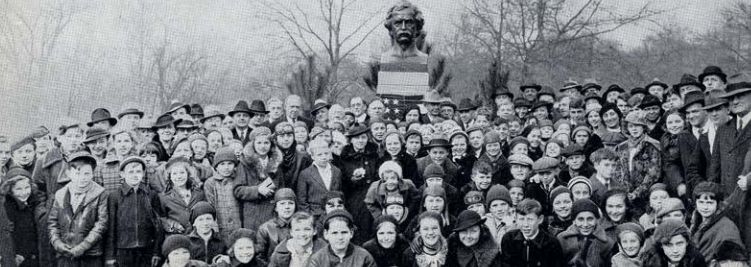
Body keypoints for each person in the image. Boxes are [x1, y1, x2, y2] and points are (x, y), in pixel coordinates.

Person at [48, 151, 109, 267]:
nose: (82, 178)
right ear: (69, 173)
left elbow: (102, 224)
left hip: (91, 255)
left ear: (92, 174)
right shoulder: (60, 194)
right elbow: (52, 222)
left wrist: (84, 245)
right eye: (77, 173)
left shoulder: (100, 194)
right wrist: (57, 243)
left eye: (87, 174)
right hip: (65, 254)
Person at [105, 156, 163, 267]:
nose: (134, 175)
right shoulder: (114, 197)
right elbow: (111, 228)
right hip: (123, 250)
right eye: (130, 172)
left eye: (138, 171)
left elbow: (158, 227)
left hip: (146, 249)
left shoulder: (151, 195)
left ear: (143, 173)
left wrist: (156, 252)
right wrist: (110, 255)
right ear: (122, 174)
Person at [615, 110, 662, 216]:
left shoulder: (652, 145)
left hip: (645, 195)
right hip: (626, 194)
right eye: (631, 126)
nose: (634, 129)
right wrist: (625, 191)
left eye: (637, 125)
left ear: (643, 127)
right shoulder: (621, 147)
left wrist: (637, 193)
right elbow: (618, 170)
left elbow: (653, 173)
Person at [689, 182, 744, 263]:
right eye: (701, 202)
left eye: (710, 203)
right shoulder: (696, 222)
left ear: (718, 204)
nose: (705, 207)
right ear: (695, 203)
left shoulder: (727, 227)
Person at [2, 168, 45, 267]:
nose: (24, 192)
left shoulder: (33, 203)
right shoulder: (8, 209)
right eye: (18, 189)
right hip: (20, 257)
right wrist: (18, 256)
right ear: (10, 190)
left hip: (34, 254)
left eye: (27, 187)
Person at [501, 199, 564, 267]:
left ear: (540, 219)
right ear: (516, 219)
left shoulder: (551, 244)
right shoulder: (509, 239)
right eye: (521, 219)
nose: (525, 224)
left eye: (530, 219)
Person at [306, 210, 377, 267]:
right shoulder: (318, 259)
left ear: (351, 233)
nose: (340, 237)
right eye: (334, 233)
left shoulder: (364, 257)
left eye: (344, 232)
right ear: (326, 234)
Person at [557, 198, 615, 267]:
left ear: (597, 220)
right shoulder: (562, 239)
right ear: (574, 221)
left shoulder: (607, 243)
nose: (585, 224)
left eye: (590, 219)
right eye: (580, 219)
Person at [159, 157, 206, 235]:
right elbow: (162, 218)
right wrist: (173, 225)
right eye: (174, 173)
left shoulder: (199, 194)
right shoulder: (164, 197)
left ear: (188, 174)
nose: (179, 176)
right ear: (169, 176)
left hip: (198, 236)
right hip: (177, 237)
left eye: (182, 173)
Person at [296, 139, 342, 221]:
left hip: (334, 213)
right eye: (319, 155)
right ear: (312, 156)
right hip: (315, 215)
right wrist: (309, 217)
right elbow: (302, 200)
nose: (324, 157)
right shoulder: (305, 173)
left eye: (326, 153)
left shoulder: (336, 171)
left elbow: (340, 193)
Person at [203, 146, 242, 241]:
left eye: (230, 163)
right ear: (216, 166)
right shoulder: (210, 183)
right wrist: (215, 230)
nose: (226, 167)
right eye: (222, 164)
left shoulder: (239, 180)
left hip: (238, 226)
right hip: (221, 227)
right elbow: (210, 207)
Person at [641, 219, 707, 267]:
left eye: (679, 244)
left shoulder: (696, 260)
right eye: (669, 245)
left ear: (687, 242)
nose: (675, 251)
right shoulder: (650, 261)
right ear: (661, 245)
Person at [256, 188, 296, 263]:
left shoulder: (301, 226)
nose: (287, 207)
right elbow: (260, 258)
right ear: (276, 208)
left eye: (290, 203)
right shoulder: (265, 229)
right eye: (282, 203)